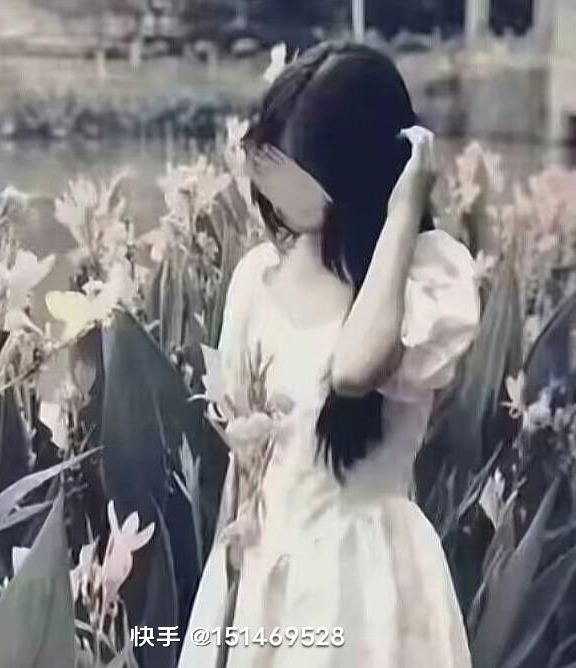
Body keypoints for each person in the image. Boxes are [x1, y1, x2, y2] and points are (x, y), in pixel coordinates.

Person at [179, 41, 480, 668]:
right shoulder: (255, 278)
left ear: (354, 175)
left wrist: (403, 211)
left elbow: (353, 369)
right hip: (267, 568)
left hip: (367, 586)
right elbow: (243, 462)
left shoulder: (422, 284)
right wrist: (222, 596)